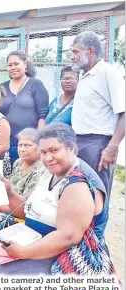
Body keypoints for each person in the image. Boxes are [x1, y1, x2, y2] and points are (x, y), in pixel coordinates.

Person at [0, 123, 110, 275]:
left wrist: (22, 252)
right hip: (34, 238)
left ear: (71, 148)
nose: (48, 158)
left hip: (68, 256)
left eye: (54, 150)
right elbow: (27, 210)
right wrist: (9, 192)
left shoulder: (77, 184)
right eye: (43, 152)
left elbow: (67, 238)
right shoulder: (51, 171)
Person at [71, 31, 125, 198]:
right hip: (80, 141)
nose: (72, 57)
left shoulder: (109, 73)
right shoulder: (84, 75)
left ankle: (98, 225)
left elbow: (123, 112)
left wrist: (112, 146)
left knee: (97, 194)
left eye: (75, 52)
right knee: (82, 192)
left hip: (99, 144)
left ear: (91, 51)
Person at [0, 50, 49, 166]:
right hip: (6, 142)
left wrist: (40, 141)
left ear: (25, 64)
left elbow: (42, 114)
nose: (13, 67)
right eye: (10, 65)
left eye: (16, 64)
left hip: (28, 142)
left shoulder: (35, 84)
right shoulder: (2, 87)